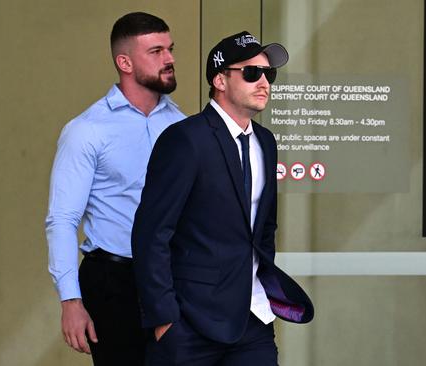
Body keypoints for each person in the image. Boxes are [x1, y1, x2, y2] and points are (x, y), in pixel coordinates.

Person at [132, 31, 314, 366]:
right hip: (190, 324)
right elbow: (151, 233)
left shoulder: (266, 142)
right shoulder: (185, 140)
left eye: (268, 74)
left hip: (253, 319)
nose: (264, 82)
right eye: (250, 72)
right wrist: (164, 320)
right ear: (219, 79)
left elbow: (263, 228)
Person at [45, 12, 185, 366]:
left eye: (169, 49)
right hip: (114, 282)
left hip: (174, 277)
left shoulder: (183, 126)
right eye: (155, 52)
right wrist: (70, 301)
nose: (169, 59)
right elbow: (62, 219)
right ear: (124, 62)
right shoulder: (87, 130)